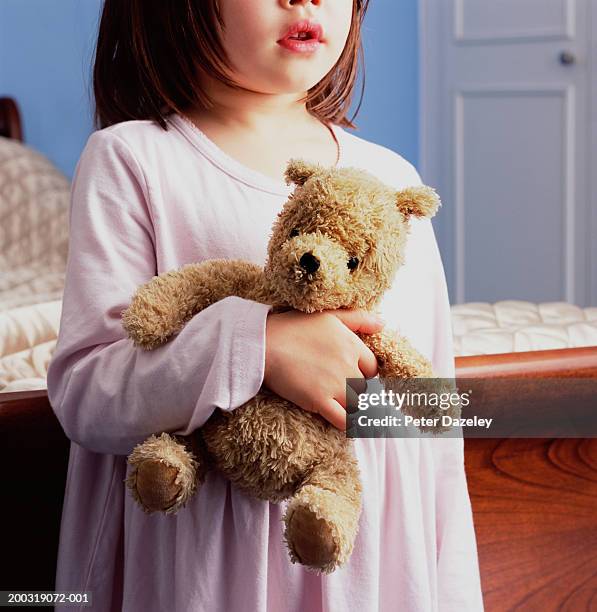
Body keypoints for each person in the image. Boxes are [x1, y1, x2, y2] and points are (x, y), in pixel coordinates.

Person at [47, 0, 484, 610]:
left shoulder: (390, 179)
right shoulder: (134, 160)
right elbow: (87, 391)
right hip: (205, 572)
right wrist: (259, 345)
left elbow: (435, 427)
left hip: (372, 571)